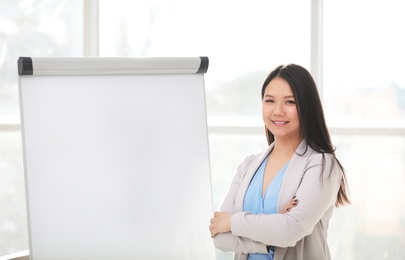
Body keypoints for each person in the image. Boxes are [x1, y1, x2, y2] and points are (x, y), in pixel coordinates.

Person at [209, 64, 350, 260]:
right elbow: (219, 235)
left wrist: (233, 222)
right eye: (270, 101)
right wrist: (269, 236)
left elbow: (290, 231)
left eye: (290, 102)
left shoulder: (322, 165)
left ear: (307, 107)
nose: (278, 111)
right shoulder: (248, 165)